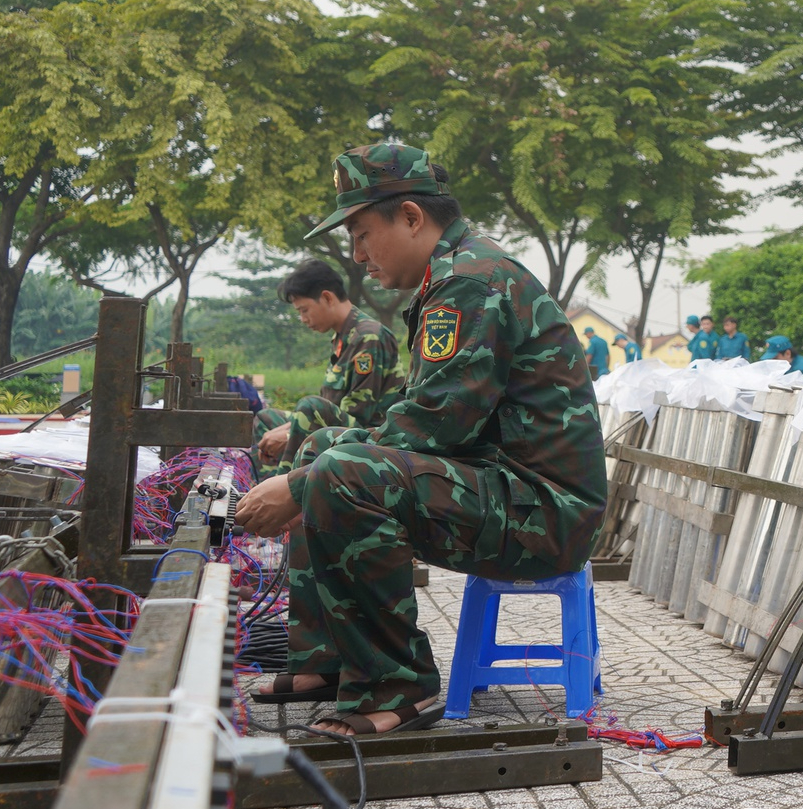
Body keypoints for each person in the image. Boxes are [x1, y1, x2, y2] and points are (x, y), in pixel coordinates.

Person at [232, 144, 607, 735]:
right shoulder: (453, 275)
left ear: (410, 217)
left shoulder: (469, 281)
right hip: (508, 491)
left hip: (544, 513)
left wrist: (299, 485)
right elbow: (425, 417)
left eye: (361, 235)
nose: (357, 257)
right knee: (324, 446)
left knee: (336, 473)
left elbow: (434, 425)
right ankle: (326, 658)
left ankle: (399, 685)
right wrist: (315, 455)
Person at [254, 259, 401, 478]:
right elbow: (330, 411)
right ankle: (261, 485)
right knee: (266, 419)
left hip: (371, 440)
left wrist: (288, 435)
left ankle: (284, 490)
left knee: (309, 406)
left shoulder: (369, 336)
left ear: (327, 298)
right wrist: (289, 428)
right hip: (335, 428)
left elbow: (356, 418)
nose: (303, 319)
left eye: (305, 310)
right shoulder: (342, 337)